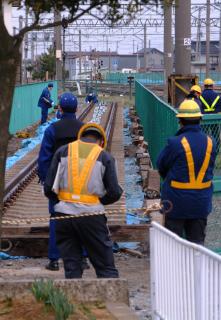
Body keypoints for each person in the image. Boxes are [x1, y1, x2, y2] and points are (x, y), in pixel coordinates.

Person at [44, 123, 123, 278]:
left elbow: (48, 188)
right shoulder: (104, 156)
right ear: (101, 141)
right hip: (92, 217)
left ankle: (73, 300)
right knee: (105, 265)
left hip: (64, 216)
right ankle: (110, 298)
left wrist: (62, 202)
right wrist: (99, 202)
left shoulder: (63, 151)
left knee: (72, 265)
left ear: (80, 137)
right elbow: (114, 192)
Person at [157, 100, 216, 245]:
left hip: (175, 204)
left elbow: (161, 165)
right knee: (197, 246)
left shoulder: (175, 143)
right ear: (200, 119)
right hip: (201, 203)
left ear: (180, 120)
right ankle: (196, 268)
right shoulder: (211, 142)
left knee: (174, 246)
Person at [38, 92, 83, 271]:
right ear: (77, 108)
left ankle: (54, 260)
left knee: (56, 218)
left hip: (57, 181)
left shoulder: (52, 129)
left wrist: (45, 180)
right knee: (82, 217)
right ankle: (83, 257)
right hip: (81, 180)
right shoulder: (84, 129)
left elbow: (44, 159)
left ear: (60, 109)